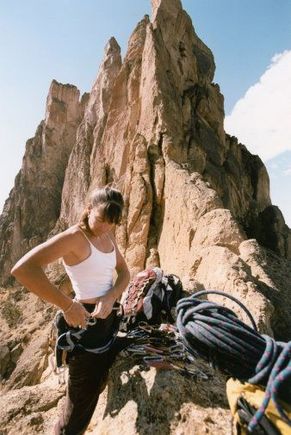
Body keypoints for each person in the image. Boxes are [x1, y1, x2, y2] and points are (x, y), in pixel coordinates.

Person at [11, 186, 130, 434]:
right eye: (101, 220)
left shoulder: (108, 237)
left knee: (94, 386)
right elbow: (23, 269)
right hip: (84, 326)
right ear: (88, 210)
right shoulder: (74, 238)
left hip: (108, 320)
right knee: (77, 414)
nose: (105, 227)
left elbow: (125, 272)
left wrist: (111, 296)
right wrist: (66, 304)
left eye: (111, 223)